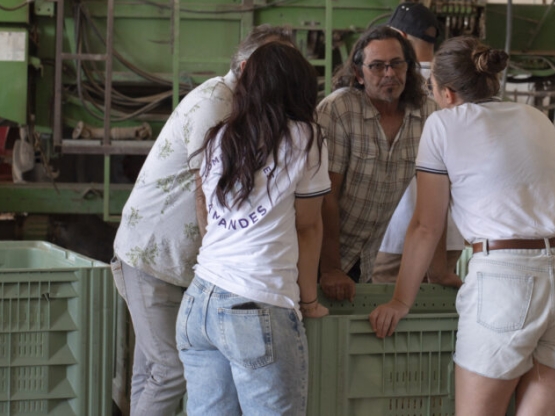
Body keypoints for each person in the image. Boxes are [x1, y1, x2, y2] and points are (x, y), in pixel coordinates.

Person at [369, 36, 555, 416]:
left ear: (445, 92)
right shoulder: (536, 118)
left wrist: (400, 300)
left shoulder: (443, 125)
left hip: (508, 278)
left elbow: (427, 224)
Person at [111, 25, 291, 416]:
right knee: (170, 371)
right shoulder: (218, 101)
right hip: (153, 257)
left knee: (151, 370)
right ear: (245, 68)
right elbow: (203, 191)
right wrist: (218, 266)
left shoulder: (241, 105)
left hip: (170, 262)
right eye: (273, 67)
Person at [176, 42, 330, 415]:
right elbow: (308, 227)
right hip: (256, 301)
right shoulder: (306, 138)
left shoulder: (220, 135)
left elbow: (207, 211)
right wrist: (308, 301)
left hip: (200, 303)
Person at [316, 25, 436, 301]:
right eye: (378, 66)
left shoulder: (428, 114)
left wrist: (437, 270)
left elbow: (436, 198)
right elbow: (326, 197)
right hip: (316, 256)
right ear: (359, 74)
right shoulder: (339, 110)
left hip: (365, 259)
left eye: (397, 64)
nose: (390, 73)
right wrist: (331, 268)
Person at [374, 3, 464, 284]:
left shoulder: (387, 83)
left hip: (398, 233)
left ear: (399, 36)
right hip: (450, 234)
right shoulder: (459, 86)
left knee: (385, 320)